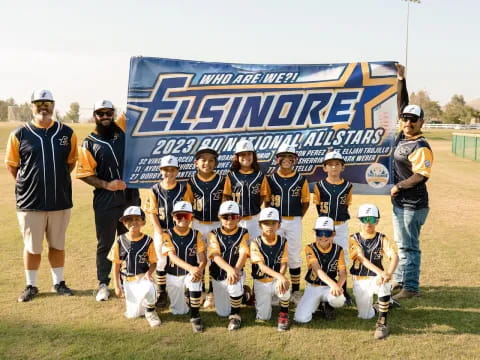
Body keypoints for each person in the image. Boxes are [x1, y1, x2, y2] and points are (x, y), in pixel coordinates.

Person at [5, 89, 77, 302]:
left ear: (53, 105)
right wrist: (30, 183)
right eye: (38, 103)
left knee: (58, 245)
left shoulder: (67, 133)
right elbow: (12, 166)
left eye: (47, 102)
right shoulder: (19, 134)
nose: (43, 106)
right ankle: (31, 285)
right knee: (32, 247)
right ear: (31, 106)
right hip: (30, 203)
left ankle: (58, 283)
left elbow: (70, 163)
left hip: (60, 200)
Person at [77, 100, 140, 301]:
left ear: (114, 114)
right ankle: (103, 283)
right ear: (94, 116)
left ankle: (129, 279)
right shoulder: (89, 143)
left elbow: (137, 105)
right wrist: (106, 184)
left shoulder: (122, 128)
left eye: (108, 113)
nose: (105, 117)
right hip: (106, 199)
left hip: (130, 196)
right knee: (105, 242)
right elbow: (85, 174)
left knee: (130, 240)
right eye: (100, 114)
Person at [391, 64, 433, 300]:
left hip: (412, 204)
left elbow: (421, 175)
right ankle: (401, 281)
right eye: (406, 119)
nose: (408, 122)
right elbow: (402, 105)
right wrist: (401, 79)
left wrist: (399, 186)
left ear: (421, 122)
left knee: (409, 246)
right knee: (401, 243)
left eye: (413, 120)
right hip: (401, 203)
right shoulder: (402, 135)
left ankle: (411, 288)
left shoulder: (420, 146)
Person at [265, 143, 310, 304]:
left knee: (294, 256)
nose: (287, 160)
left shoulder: (301, 179)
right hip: (275, 222)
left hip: (294, 221)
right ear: (277, 159)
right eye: (283, 156)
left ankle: (296, 291)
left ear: (295, 160)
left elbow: (305, 202)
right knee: (275, 255)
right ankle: (277, 288)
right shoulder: (270, 179)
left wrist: (297, 218)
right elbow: (266, 201)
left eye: (290, 157)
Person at [349, 204, 399, 340]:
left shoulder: (382, 238)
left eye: (372, 219)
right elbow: (362, 259)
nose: (368, 223)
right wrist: (382, 272)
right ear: (359, 220)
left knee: (384, 284)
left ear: (377, 220)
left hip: (377, 278)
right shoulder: (353, 238)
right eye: (365, 219)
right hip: (360, 280)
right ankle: (386, 302)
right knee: (365, 315)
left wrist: (387, 273)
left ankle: (382, 323)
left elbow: (394, 256)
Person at [184, 145, 225, 308]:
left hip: (216, 224)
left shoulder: (222, 180)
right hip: (198, 223)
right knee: (198, 258)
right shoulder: (191, 181)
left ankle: (212, 292)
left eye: (210, 161)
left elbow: (226, 201)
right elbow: (187, 205)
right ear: (196, 163)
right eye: (203, 160)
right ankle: (197, 291)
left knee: (214, 258)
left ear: (215, 163)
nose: (206, 163)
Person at [144, 154, 187, 307]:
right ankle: (162, 291)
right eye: (165, 170)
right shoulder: (155, 189)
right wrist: (160, 232)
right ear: (160, 170)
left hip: (180, 230)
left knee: (183, 258)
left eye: (172, 170)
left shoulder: (183, 187)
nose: (169, 173)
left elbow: (188, 210)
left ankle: (186, 289)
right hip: (161, 229)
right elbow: (152, 213)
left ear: (177, 171)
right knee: (161, 261)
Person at [108, 206, 161, 327]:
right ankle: (144, 303)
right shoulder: (120, 240)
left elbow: (153, 262)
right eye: (129, 219)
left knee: (151, 288)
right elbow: (115, 265)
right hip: (128, 281)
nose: (133, 222)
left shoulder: (148, 240)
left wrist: (149, 273)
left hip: (143, 278)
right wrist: (117, 286)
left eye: (137, 219)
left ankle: (151, 311)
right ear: (124, 222)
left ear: (143, 222)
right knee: (133, 315)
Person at [313, 150, 353, 305]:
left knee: (343, 257)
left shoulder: (348, 186)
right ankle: (322, 289)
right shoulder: (319, 186)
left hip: (341, 225)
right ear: (325, 168)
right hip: (324, 227)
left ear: (342, 167)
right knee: (323, 257)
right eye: (330, 164)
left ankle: (344, 289)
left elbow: (347, 204)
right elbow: (317, 205)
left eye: (337, 164)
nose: (334, 168)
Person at [162, 201, 206, 333]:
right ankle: (189, 300)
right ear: (173, 217)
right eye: (178, 216)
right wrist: (192, 268)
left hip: (189, 274)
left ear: (191, 217)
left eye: (186, 216)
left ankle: (195, 315)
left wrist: (199, 269)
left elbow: (203, 259)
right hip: (173, 274)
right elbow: (172, 257)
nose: (182, 219)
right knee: (178, 312)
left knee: (195, 278)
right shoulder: (167, 234)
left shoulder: (196, 234)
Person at [294, 217, 346, 324]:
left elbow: (343, 273)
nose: (323, 236)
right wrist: (334, 285)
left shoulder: (339, 249)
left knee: (339, 299)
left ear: (333, 234)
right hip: (314, 286)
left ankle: (328, 305)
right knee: (301, 319)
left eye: (327, 233)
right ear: (314, 233)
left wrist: (338, 286)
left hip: (329, 288)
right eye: (319, 233)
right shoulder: (309, 248)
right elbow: (317, 270)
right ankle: (319, 305)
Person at [207, 201, 249, 331]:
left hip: (236, 273)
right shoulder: (213, 233)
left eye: (234, 217)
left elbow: (243, 253)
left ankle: (235, 315)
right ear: (219, 217)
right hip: (218, 275)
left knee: (234, 286)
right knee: (222, 312)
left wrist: (235, 271)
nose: (229, 220)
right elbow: (215, 256)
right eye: (225, 217)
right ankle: (244, 294)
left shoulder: (244, 232)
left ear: (239, 218)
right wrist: (229, 269)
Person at [250, 207, 291, 331]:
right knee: (264, 317)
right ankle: (252, 296)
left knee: (284, 289)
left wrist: (280, 278)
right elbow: (261, 267)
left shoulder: (283, 241)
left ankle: (284, 314)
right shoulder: (255, 242)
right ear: (260, 225)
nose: (270, 226)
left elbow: (284, 263)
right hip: (261, 282)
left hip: (275, 281)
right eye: (266, 223)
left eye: (273, 223)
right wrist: (280, 276)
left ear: (279, 225)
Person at [223, 139, 269, 241]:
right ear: (237, 157)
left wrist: (254, 207)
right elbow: (226, 196)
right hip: (236, 220)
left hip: (254, 219)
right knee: (237, 250)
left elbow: (262, 196)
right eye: (242, 155)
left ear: (253, 156)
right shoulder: (231, 176)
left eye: (249, 154)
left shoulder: (260, 176)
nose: (246, 157)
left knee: (255, 249)